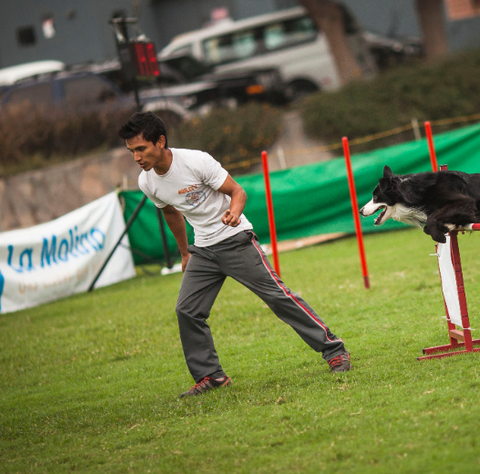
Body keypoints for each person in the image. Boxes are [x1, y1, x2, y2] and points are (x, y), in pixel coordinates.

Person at [118, 112, 350, 398]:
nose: (137, 157)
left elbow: (237, 191)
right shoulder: (147, 182)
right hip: (202, 250)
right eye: (131, 152)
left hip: (235, 240)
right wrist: (184, 252)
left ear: (161, 141)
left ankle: (334, 350)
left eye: (141, 149)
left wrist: (234, 212)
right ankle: (211, 376)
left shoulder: (196, 161)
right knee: (187, 310)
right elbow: (170, 212)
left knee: (278, 297)